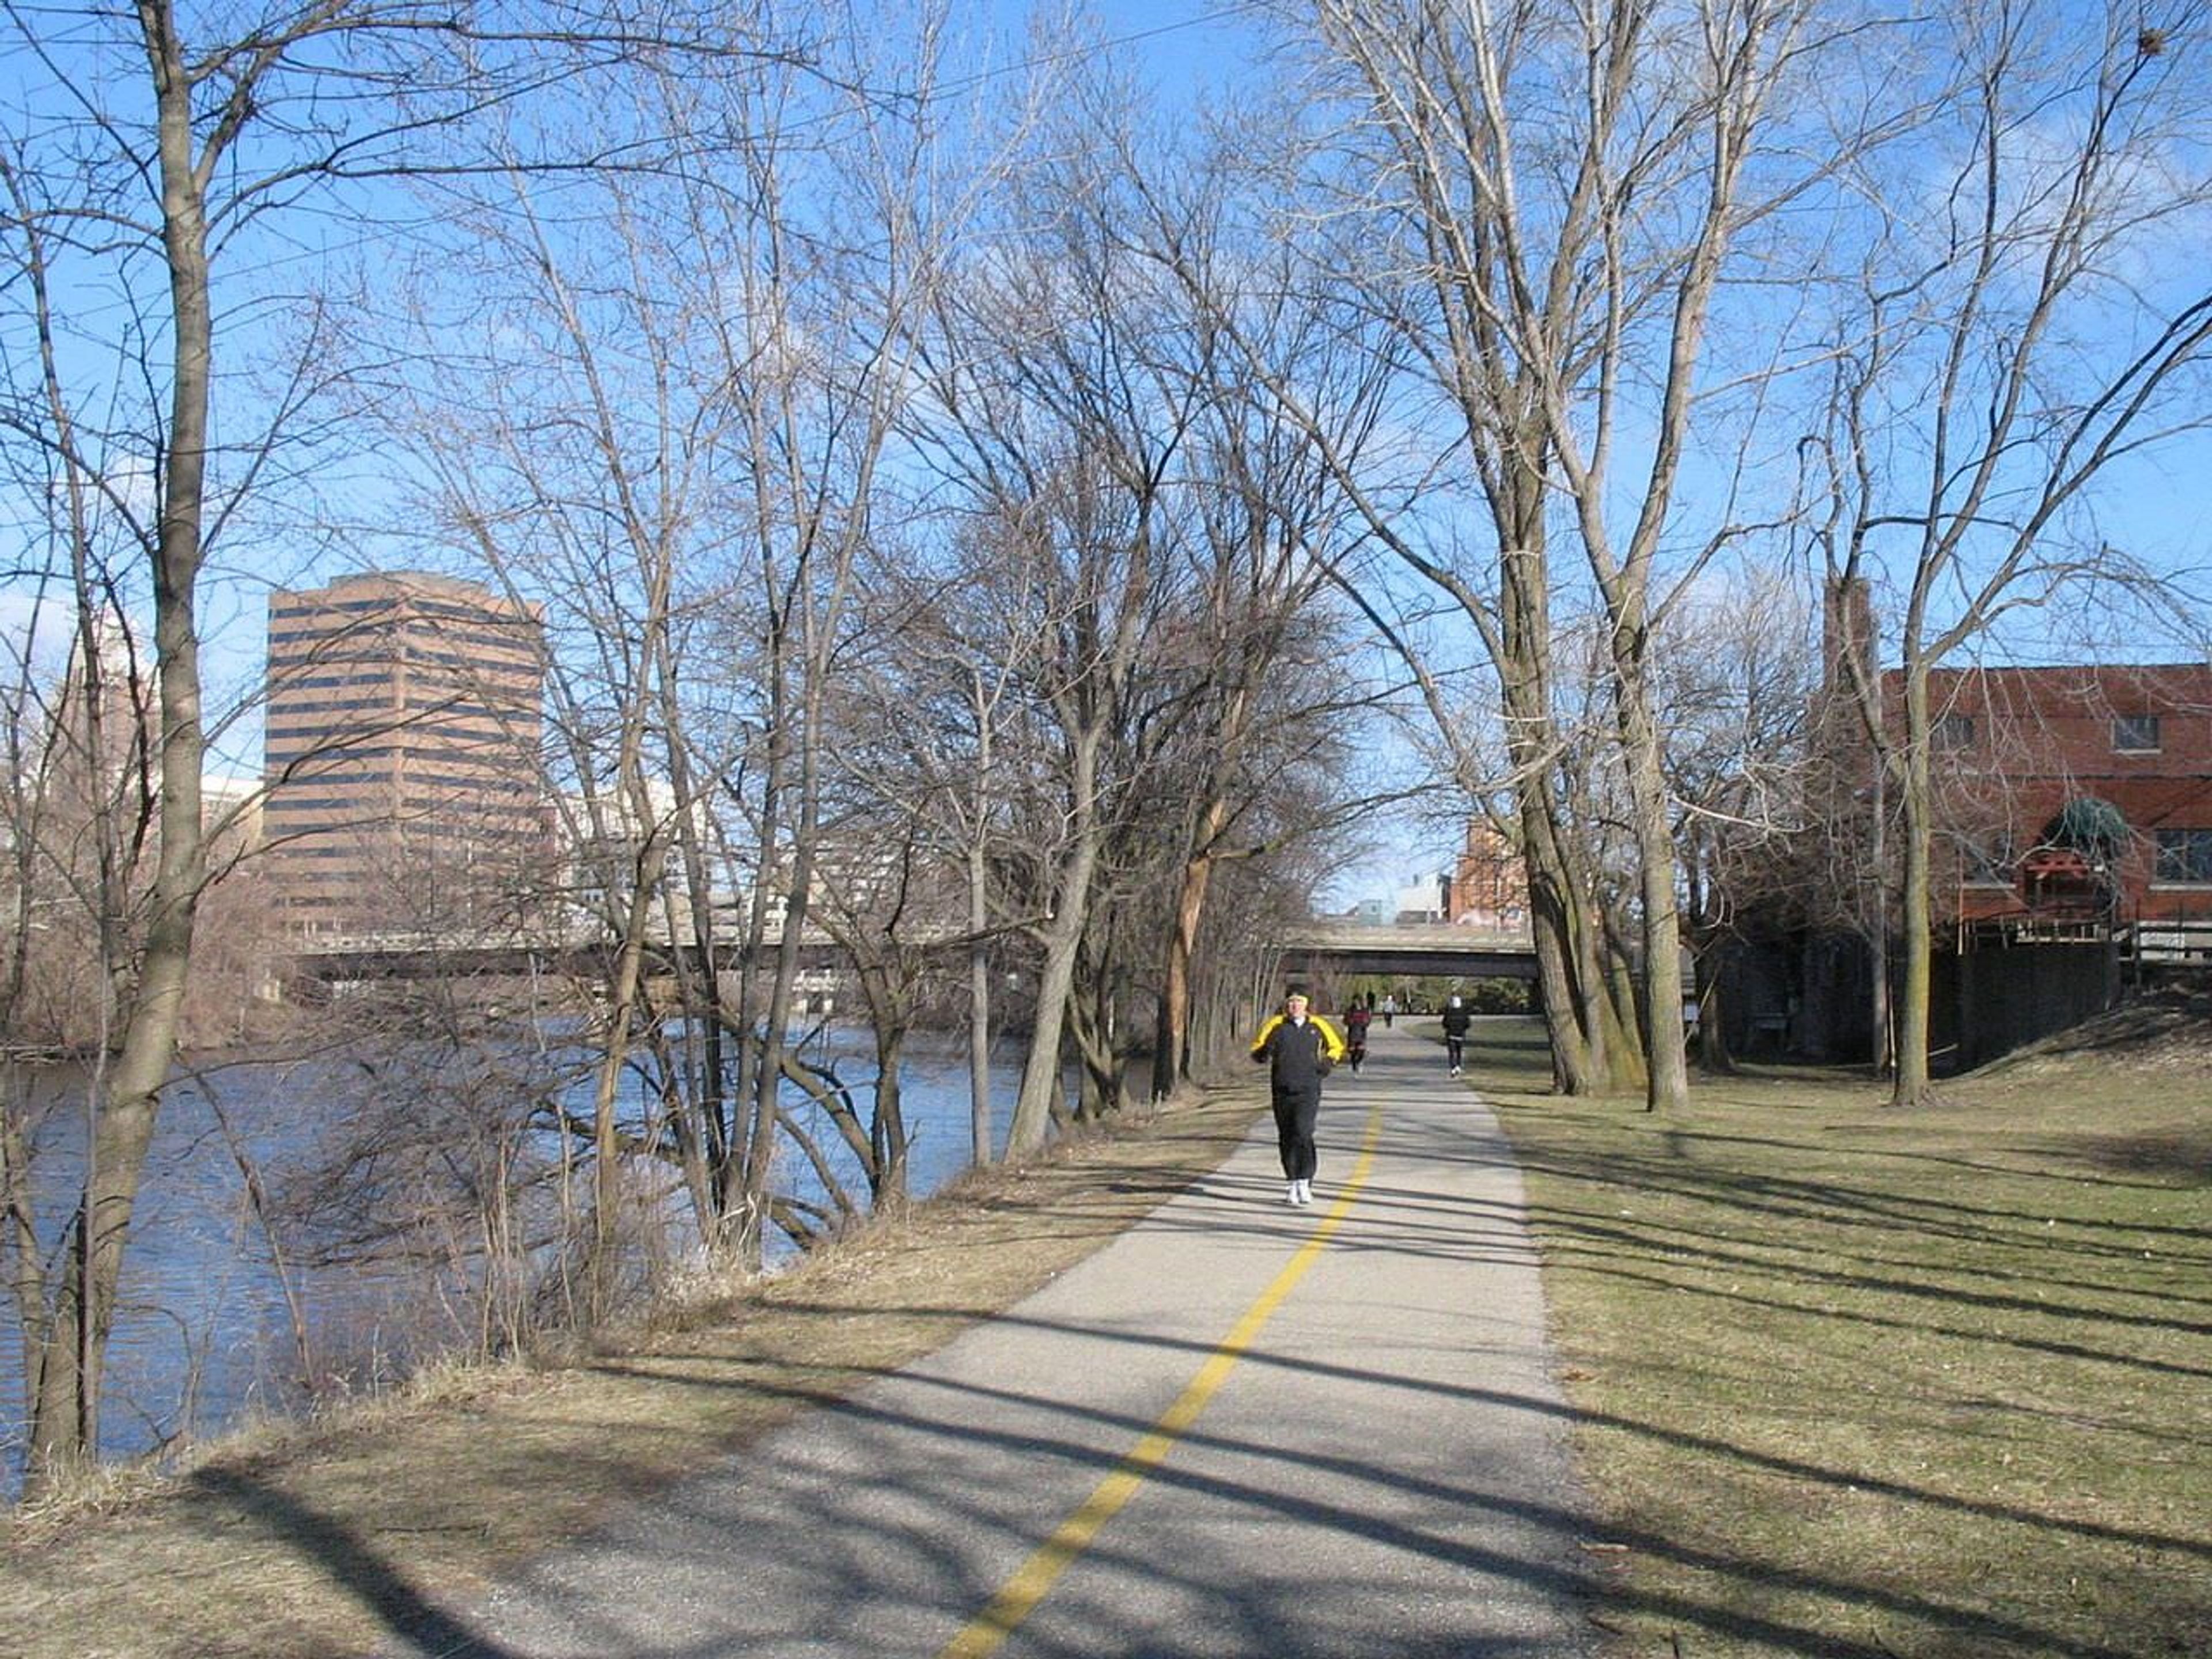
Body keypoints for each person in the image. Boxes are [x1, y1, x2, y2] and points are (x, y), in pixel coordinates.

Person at [1248, 991, 1346, 1206]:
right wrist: (1266, 1049)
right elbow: (1257, 1053)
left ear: (1306, 1005)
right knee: (1287, 1136)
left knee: (1304, 1132)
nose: (1294, 1006)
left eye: (1299, 1002)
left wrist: (1327, 1064)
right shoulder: (1275, 1025)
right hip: (1282, 1089)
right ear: (1285, 1004)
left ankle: (1305, 1180)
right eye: (1291, 1002)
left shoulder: (1318, 1025)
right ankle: (1291, 1181)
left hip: (1308, 1088)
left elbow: (1337, 1047)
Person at [1441, 993, 1471, 1076]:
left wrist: (1449, 1028)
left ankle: (1453, 1068)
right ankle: (1458, 1066)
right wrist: (1462, 1029)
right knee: (1459, 1052)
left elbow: (1444, 1024)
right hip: (1460, 1036)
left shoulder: (1449, 1013)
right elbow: (1468, 1024)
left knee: (1452, 1053)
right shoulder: (1464, 1013)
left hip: (1451, 1036)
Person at [1343, 999, 1373, 1073]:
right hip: (1352, 1033)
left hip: (1361, 1033)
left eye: (1358, 1003)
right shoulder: (1350, 1011)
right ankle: (1354, 1064)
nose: (1357, 1004)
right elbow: (1345, 1021)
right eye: (1356, 1002)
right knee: (1352, 1051)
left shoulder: (1365, 1011)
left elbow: (1368, 1021)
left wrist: (1365, 1023)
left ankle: (1359, 1063)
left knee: (1361, 1050)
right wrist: (1351, 1022)